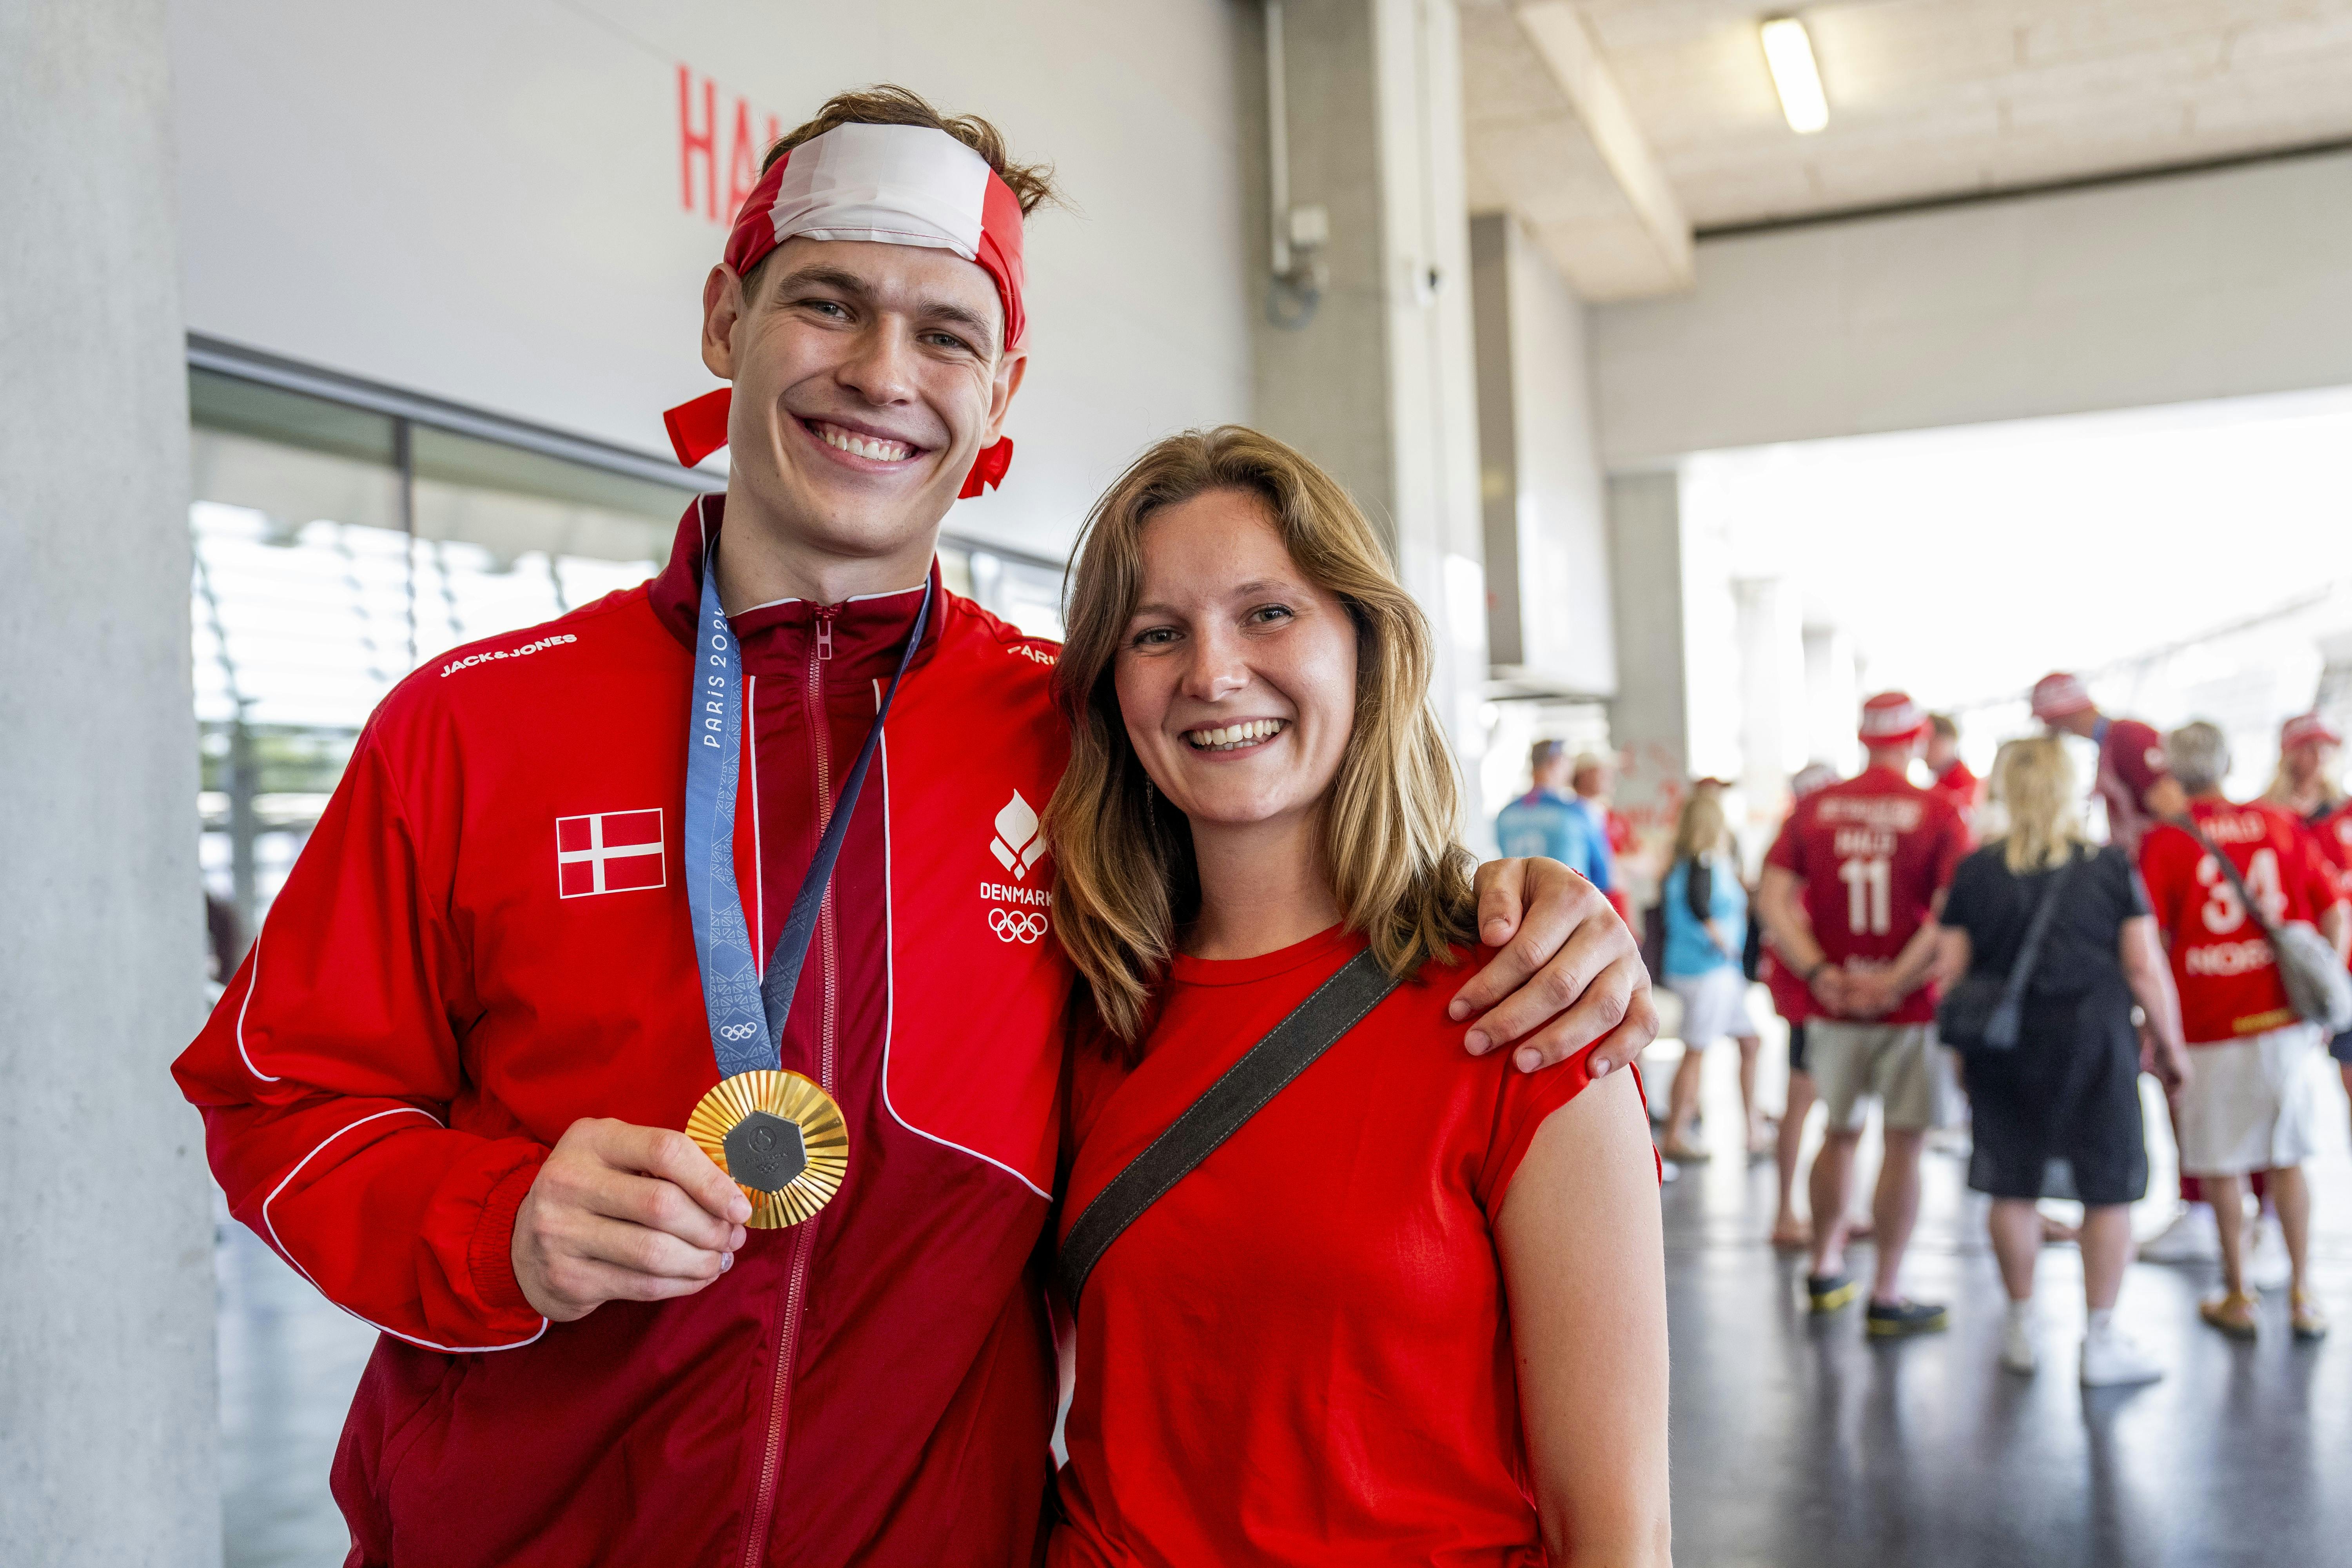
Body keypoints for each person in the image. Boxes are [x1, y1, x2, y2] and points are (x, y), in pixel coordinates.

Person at [169, 89, 1653, 1568]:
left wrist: (1528, 903)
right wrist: (495, 1223)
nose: (881, 372)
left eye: (945, 332)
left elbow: (1286, 860)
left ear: (999, 391)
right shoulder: (474, 724)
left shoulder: (1081, 737)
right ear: (722, 318)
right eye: (828, 303)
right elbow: (275, 1101)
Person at [1044, 426, 1671, 1568]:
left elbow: (1617, 1535)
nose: (1211, 672)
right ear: (1108, 687)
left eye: (1266, 612)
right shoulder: (1081, 1003)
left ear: (1362, 645)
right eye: (1155, 633)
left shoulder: (1523, 1002)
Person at [1935, 737, 2190, 1385]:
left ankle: (2021, 1328)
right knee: (2108, 1190)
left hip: (2004, 1049)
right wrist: (2170, 1044)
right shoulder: (2108, 867)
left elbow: (1952, 973)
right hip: (2095, 1047)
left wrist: (1961, 1057)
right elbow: (2143, 966)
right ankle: (2099, 1341)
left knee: (2011, 1183)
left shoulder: (1976, 872)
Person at [1758, 692, 1969, 1336]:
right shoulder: (1938, 813)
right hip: (1907, 1012)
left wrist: (1823, 973)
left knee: (1839, 1134)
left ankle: (1825, 1268)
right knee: (1904, 1145)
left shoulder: (1815, 809)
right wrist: (1894, 982)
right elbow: (1950, 915)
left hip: (1833, 1005)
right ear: (1917, 738)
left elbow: (1769, 900)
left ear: (1862, 738)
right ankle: (1887, 1291)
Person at [2140, 721, 2350, 1341]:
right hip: (2282, 1018)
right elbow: (2335, 907)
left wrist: (2155, 1027)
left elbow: (2150, 940)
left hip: (2207, 1021)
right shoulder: (2278, 823)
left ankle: (2240, 1291)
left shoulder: (2167, 841)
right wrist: (2325, 985)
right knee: (2289, 1158)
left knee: (2223, 1163)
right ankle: (2304, 1292)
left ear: (2173, 772)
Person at [1659, 786, 1768, 1163]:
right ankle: (1676, 1133)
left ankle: (1753, 1128)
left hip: (1718, 971)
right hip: (1707, 970)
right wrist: (1727, 944)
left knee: (1750, 1042)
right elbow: (1700, 908)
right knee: (1696, 1050)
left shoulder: (1690, 864)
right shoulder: (1702, 864)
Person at [1763, 761, 1839, 1248]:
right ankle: (1788, 1210)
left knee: (1832, 1104)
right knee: (1803, 1098)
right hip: (1812, 991)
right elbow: (1786, 912)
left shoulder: (1802, 839)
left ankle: (1826, 1207)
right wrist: (1820, 970)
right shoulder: (1800, 839)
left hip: (1813, 988)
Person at [2273, 713, 2352, 1133]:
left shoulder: (2345, 813)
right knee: (2281, 1096)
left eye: (2326, 748)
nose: (2318, 758)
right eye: (2308, 747)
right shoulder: (2270, 817)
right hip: (2291, 967)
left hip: (2345, 964)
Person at [1497, 739, 1603, 883]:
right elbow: (1603, 876)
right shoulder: (1576, 812)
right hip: (1570, 901)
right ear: (1556, 762)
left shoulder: (1505, 815)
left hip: (1523, 902)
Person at [1572, 753, 1635, 923]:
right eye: (1603, 771)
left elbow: (1646, 859)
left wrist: (1617, 864)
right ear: (1583, 775)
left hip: (1616, 906)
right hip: (1585, 907)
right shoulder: (1569, 817)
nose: (1610, 776)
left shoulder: (1615, 819)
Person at [1925, 712, 1982, 837]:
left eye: (1928, 742)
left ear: (1946, 742)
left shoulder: (1967, 785)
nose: (1922, 751)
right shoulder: (1939, 785)